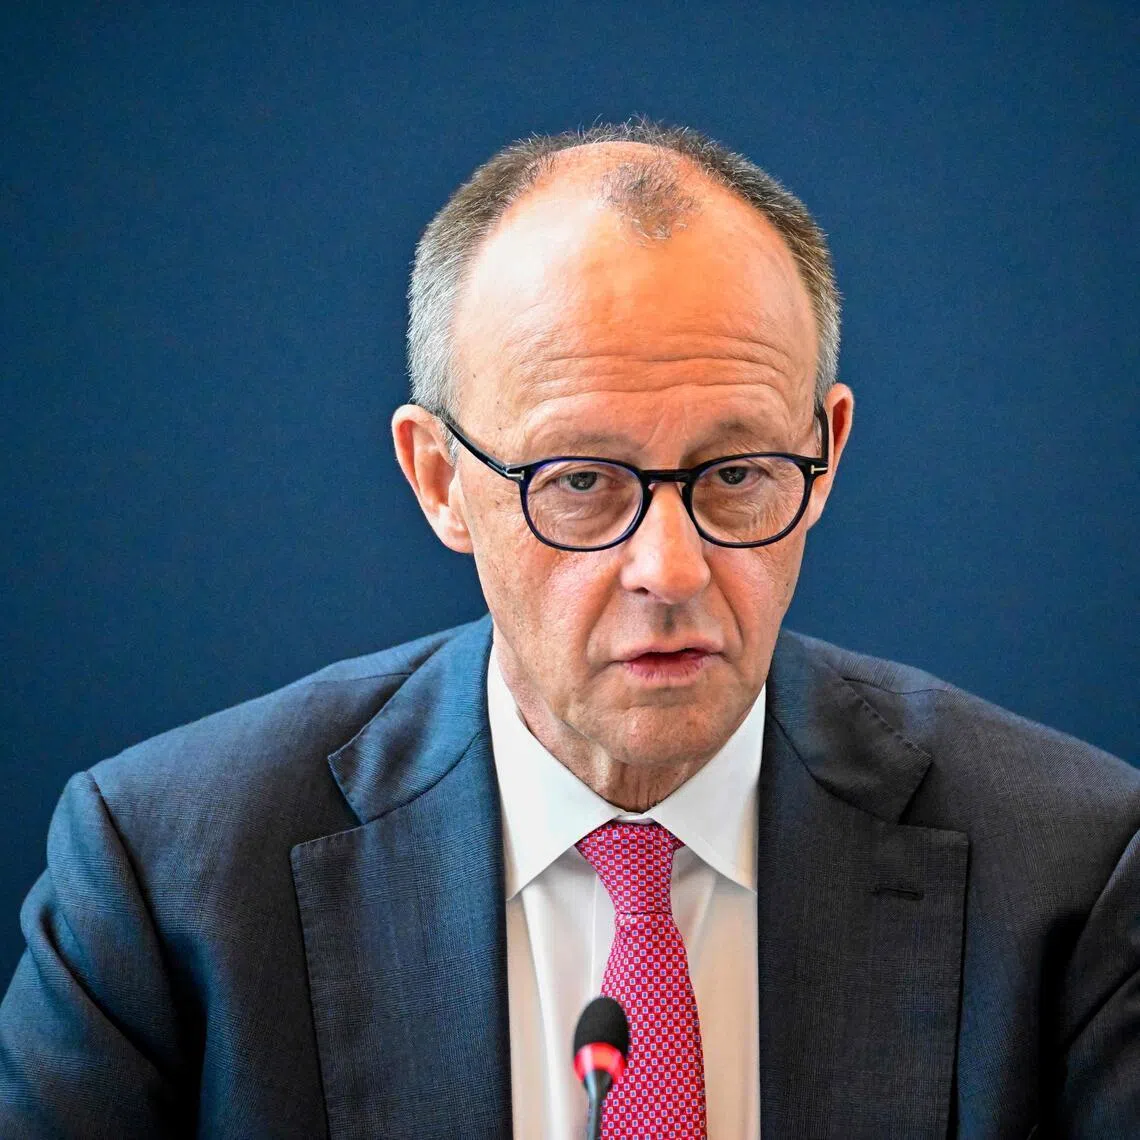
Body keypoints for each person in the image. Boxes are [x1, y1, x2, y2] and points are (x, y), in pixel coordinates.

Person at [1, 120, 1137, 1139]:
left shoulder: (1071, 868)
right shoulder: (169, 875)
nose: (670, 569)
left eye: (738, 473)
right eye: (582, 481)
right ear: (440, 480)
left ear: (825, 452)